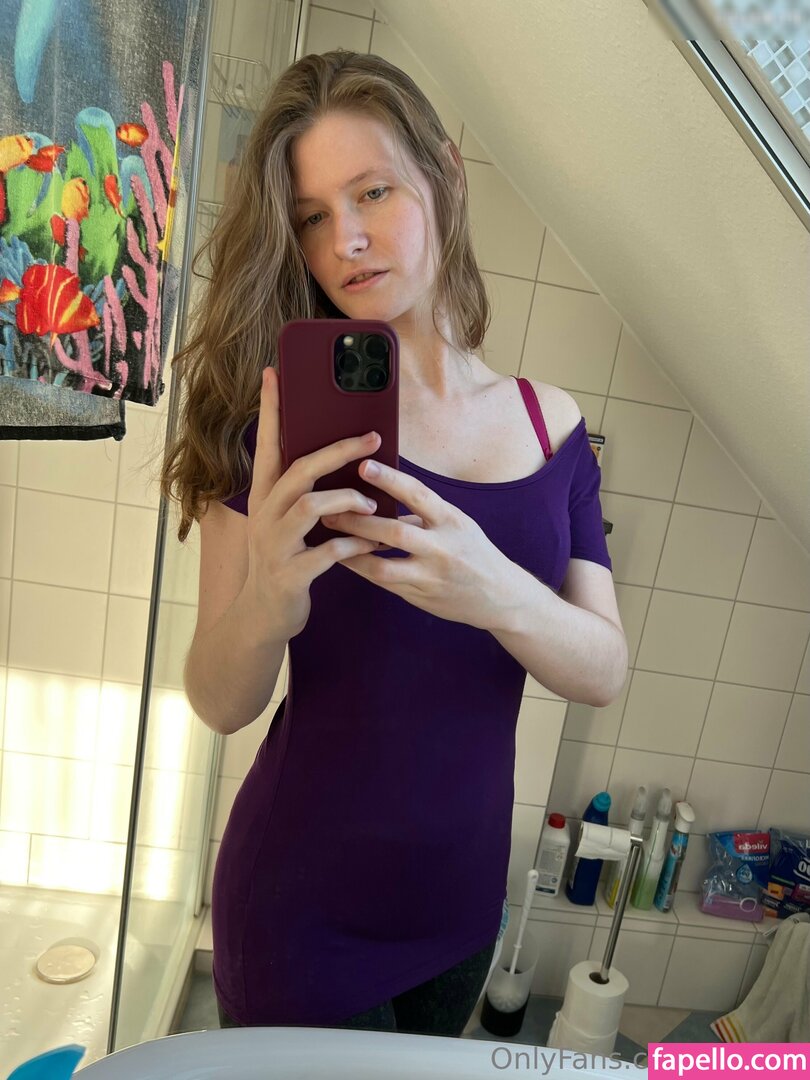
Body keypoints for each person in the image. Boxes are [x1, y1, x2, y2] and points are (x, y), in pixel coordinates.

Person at [161, 49, 628, 1036]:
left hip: (460, 914)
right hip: (297, 918)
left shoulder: (552, 428)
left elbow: (602, 668)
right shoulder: (271, 421)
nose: (348, 240)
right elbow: (218, 700)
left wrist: (495, 589)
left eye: (373, 192)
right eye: (312, 217)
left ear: (446, 172)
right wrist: (267, 601)